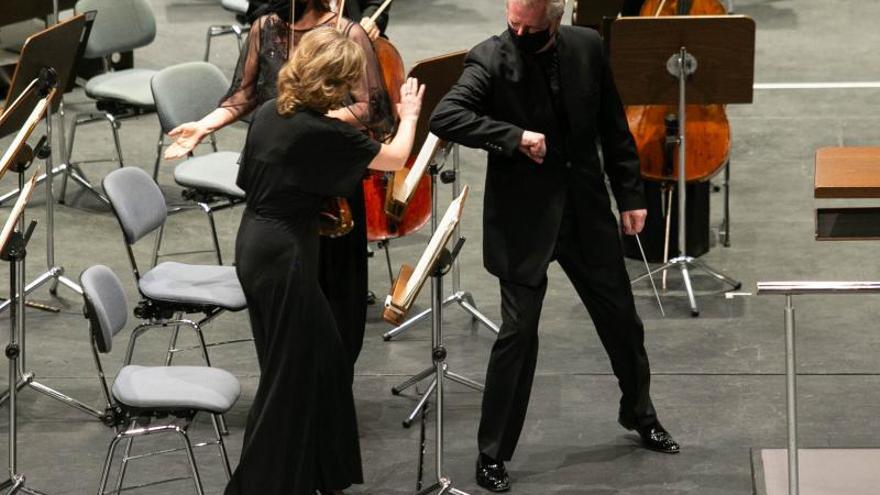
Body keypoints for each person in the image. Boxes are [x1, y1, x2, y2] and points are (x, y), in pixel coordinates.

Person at [429, 0, 680, 491]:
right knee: (518, 338)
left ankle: (639, 413)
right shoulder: (489, 59)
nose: (517, 32)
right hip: (524, 221)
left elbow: (613, 124)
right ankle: (492, 454)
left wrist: (630, 194)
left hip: (585, 212)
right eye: (512, 22)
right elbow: (447, 115)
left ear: (556, 19)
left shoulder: (587, 47)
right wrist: (513, 136)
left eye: (530, 26)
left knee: (622, 322)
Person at [226, 28, 425, 494]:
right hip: (285, 258)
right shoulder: (323, 133)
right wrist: (410, 114)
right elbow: (396, 158)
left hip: (257, 243)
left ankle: (317, 472)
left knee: (325, 360)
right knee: (288, 378)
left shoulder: (274, 112)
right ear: (333, 86)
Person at [164, 0, 394, 371]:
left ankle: (331, 388)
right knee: (285, 304)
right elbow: (245, 94)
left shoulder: (346, 31)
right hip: (283, 186)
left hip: (330, 181)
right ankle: (289, 390)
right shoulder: (265, 28)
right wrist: (204, 126)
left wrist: (315, 124)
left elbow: (373, 106)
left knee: (336, 293)